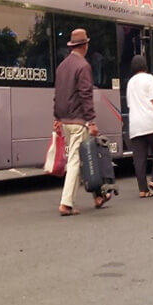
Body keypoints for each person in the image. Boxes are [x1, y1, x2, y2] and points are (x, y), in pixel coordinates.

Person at [53, 28, 111, 216]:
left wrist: (57, 118)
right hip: (79, 120)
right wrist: (91, 121)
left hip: (66, 120)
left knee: (86, 156)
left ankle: (98, 197)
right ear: (85, 46)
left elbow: (58, 95)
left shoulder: (61, 66)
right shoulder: (84, 66)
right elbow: (86, 95)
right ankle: (66, 203)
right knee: (77, 160)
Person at [125, 55, 153, 197]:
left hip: (135, 125)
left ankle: (143, 190)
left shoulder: (130, 82)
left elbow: (129, 104)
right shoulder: (149, 78)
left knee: (139, 159)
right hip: (151, 123)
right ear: (145, 66)